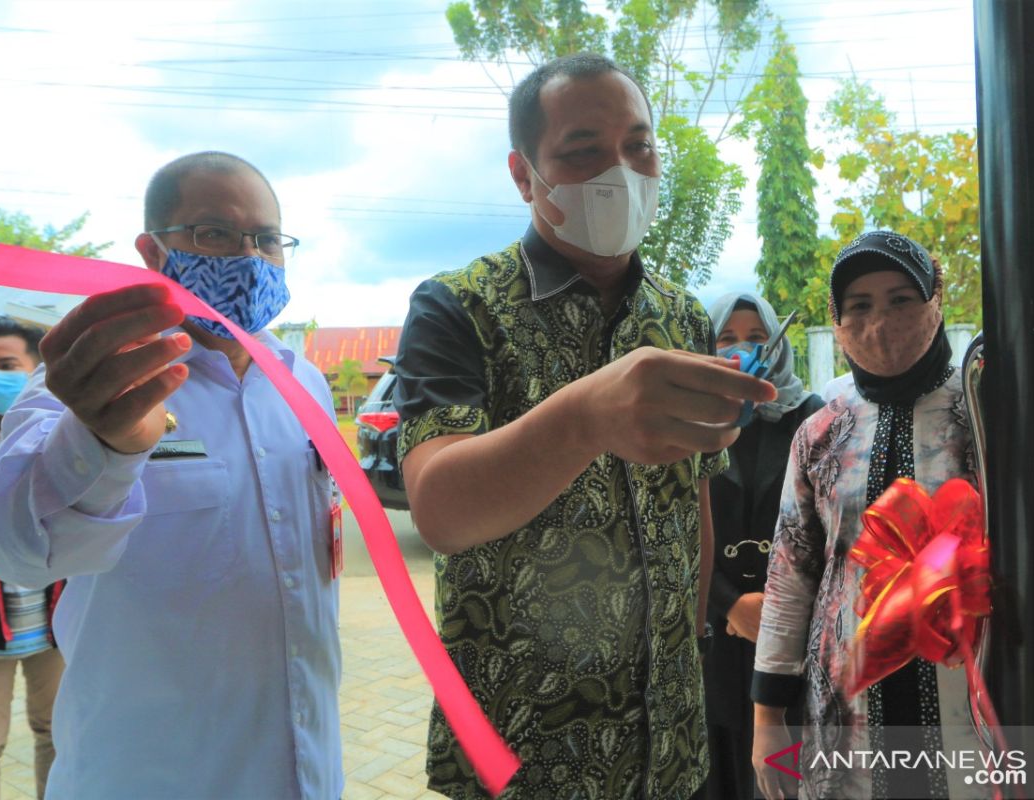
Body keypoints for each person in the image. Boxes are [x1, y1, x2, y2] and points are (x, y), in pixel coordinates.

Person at [393, 53, 775, 799]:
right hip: (524, 740)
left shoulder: (681, 314)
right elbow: (438, 508)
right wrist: (583, 417)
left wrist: (692, 635)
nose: (621, 170)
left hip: (668, 732)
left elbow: (692, 497)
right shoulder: (457, 308)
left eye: (639, 144)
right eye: (583, 150)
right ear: (523, 174)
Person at [0, 152, 343, 798]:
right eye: (213, 234)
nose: (247, 258)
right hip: (149, 774)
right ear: (152, 251)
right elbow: (14, 547)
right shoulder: (95, 379)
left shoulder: (303, 382)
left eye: (266, 239)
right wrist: (99, 442)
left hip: (305, 770)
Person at [750, 231, 980, 800]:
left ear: (935, 299)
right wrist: (766, 719)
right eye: (860, 305)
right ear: (838, 317)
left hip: (971, 699)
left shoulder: (986, 410)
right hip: (845, 709)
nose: (881, 322)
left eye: (902, 299)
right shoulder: (819, 433)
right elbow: (791, 576)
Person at [702, 294, 823, 800]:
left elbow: (827, 529)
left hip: (793, 636)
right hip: (713, 632)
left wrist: (771, 613)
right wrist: (730, 603)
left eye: (756, 337)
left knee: (784, 776)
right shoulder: (689, 422)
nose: (743, 350)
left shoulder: (813, 417)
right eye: (726, 339)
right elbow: (676, 528)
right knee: (719, 769)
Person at [0, 317, 65, 800]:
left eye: (6, 365)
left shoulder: (66, 439)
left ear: (36, 370)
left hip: (54, 623)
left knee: (56, 732)